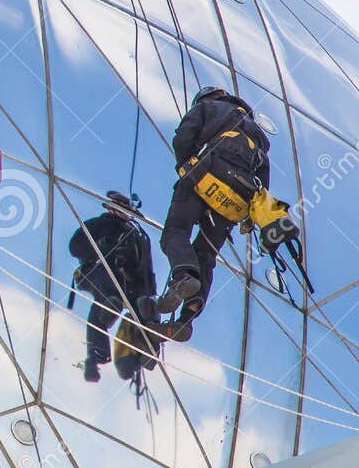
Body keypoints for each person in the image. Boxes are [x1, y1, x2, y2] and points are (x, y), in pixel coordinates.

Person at [151, 85, 273, 342]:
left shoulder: (207, 108)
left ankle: (184, 276)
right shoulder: (257, 135)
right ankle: (186, 319)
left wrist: (185, 165)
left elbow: (183, 137)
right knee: (206, 255)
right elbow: (263, 182)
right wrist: (251, 218)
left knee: (175, 232)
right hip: (235, 200)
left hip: (202, 177)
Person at [69, 191, 154, 382]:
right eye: (121, 208)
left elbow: (145, 269)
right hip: (96, 273)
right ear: (111, 207)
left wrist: (148, 297)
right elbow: (75, 246)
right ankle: (95, 354)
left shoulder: (136, 236)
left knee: (144, 309)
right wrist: (101, 247)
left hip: (126, 284)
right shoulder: (98, 224)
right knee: (107, 297)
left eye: (128, 209)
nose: (125, 212)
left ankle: (131, 359)